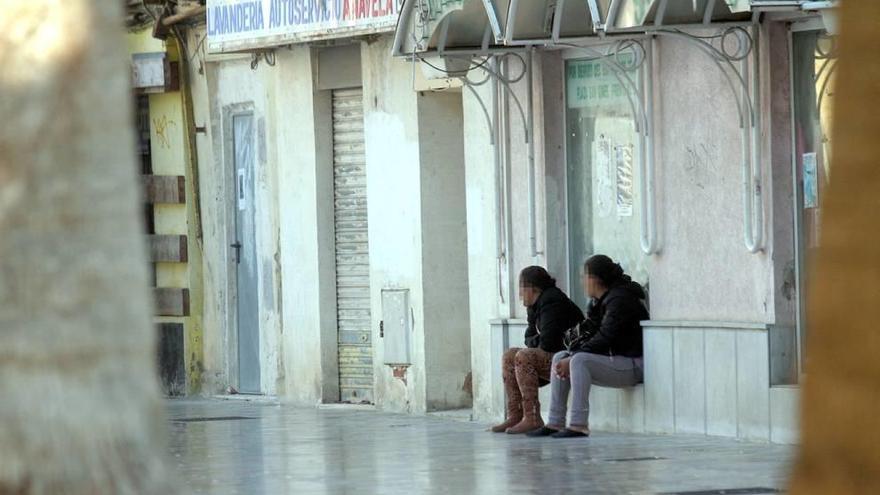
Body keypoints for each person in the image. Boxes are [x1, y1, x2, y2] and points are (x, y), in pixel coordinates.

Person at [527, 255, 649, 438]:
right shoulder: (600, 302)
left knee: (579, 361)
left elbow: (605, 338)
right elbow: (591, 334)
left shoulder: (620, 300)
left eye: (584, 277)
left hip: (632, 364)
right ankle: (555, 422)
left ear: (595, 279)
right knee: (560, 356)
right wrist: (570, 353)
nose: (582, 282)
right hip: (614, 360)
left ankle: (578, 424)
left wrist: (574, 356)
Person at [491, 266, 584, 434]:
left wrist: (536, 341)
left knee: (524, 356)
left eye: (521, 288)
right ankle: (516, 414)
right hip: (553, 354)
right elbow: (529, 338)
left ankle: (532, 417)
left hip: (569, 358)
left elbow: (548, 342)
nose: (519, 295)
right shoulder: (534, 305)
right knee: (509, 355)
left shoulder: (552, 300)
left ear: (533, 288)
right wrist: (536, 341)